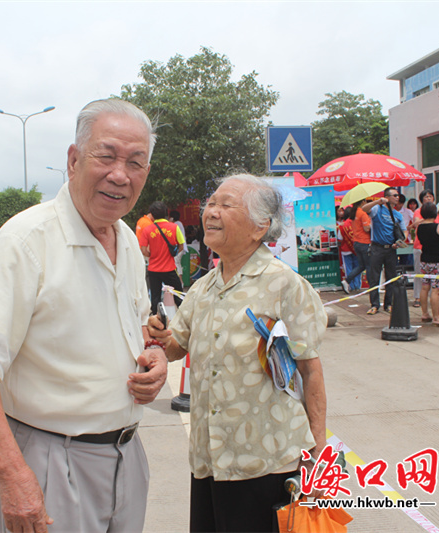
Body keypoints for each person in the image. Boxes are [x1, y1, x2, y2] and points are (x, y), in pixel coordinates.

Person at [0, 99, 168, 533]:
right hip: (52, 460)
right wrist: (14, 476)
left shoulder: (126, 240)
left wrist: (154, 357)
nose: (120, 174)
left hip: (126, 454)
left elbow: (136, 329)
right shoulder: (25, 241)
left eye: (136, 162)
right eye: (106, 156)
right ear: (73, 159)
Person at [147, 174, 327, 533]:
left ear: (260, 227)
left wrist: (317, 456)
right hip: (210, 458)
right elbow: (174, 348)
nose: (211, 212)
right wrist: (159, 336)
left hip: (266, 459)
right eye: (210, 203)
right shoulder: (203, 287)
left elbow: (311, 370)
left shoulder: (284, 284)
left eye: (225, 205)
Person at [363, 187, 407, 315]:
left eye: (398, 195)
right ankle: (374, 305)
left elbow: (404, 231)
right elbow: (365, 209)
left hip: (391, 249)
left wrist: (399, 241)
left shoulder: (398, 214)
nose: (397, 197)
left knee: (391, 277)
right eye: (394, 195)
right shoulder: (378, 209)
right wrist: (377, 201)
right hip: (377, 248)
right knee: (374, 277)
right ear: (387, 197)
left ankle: (388, 304)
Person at [139, 201, 185, 314]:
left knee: (155, 297)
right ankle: (183, 317)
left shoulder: (147, 230)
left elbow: (143, 249)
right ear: (166, 213)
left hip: (153, 269)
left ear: (152, 215)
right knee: (178, 294)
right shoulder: (174, 227)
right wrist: (172, 254)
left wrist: (152, 255)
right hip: (169, 269)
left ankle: (156, 321)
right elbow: (181, 246)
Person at [417, 202, 439, 327]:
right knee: (436, 290)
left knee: (425, 287)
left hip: (425, 259)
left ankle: (425, 313)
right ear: (434, 213)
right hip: (438, 261)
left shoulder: (420, 227)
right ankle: (436, 317)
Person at [411, 189, 439, 307]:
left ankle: (431, 298)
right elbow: (416, 224)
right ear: (421, 199)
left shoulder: (436, 213)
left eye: (430, 196)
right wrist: (427, 217)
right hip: (420, 246)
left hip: (433, 247)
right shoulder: (418, 211)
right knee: (419, 273)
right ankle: (417, 297)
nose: (428, 198)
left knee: (434, 275)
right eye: (426, 197)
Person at [342, 199, 371, 294]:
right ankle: (373, 287)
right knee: (369, 265)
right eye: (366, 202)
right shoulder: (362, 213)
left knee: (362, 266)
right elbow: (367, 228)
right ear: (363, 202)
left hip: (357, 243)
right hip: (365, 242)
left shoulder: (354, 213)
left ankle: (347, 281)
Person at [338, 206, 361, 291]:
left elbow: (339, 238)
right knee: (358, 267)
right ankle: (357, 285)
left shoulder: (342, 225)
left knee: (348, 268)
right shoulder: (357, 222)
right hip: (357, 249)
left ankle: (350, 286)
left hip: (345, 250)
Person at [170, 210, 188, 280]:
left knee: (176, 263)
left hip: (179, 247)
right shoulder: (179, 223)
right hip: (180, 246)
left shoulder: (176, 224)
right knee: (177, 263)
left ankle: (180, 281)